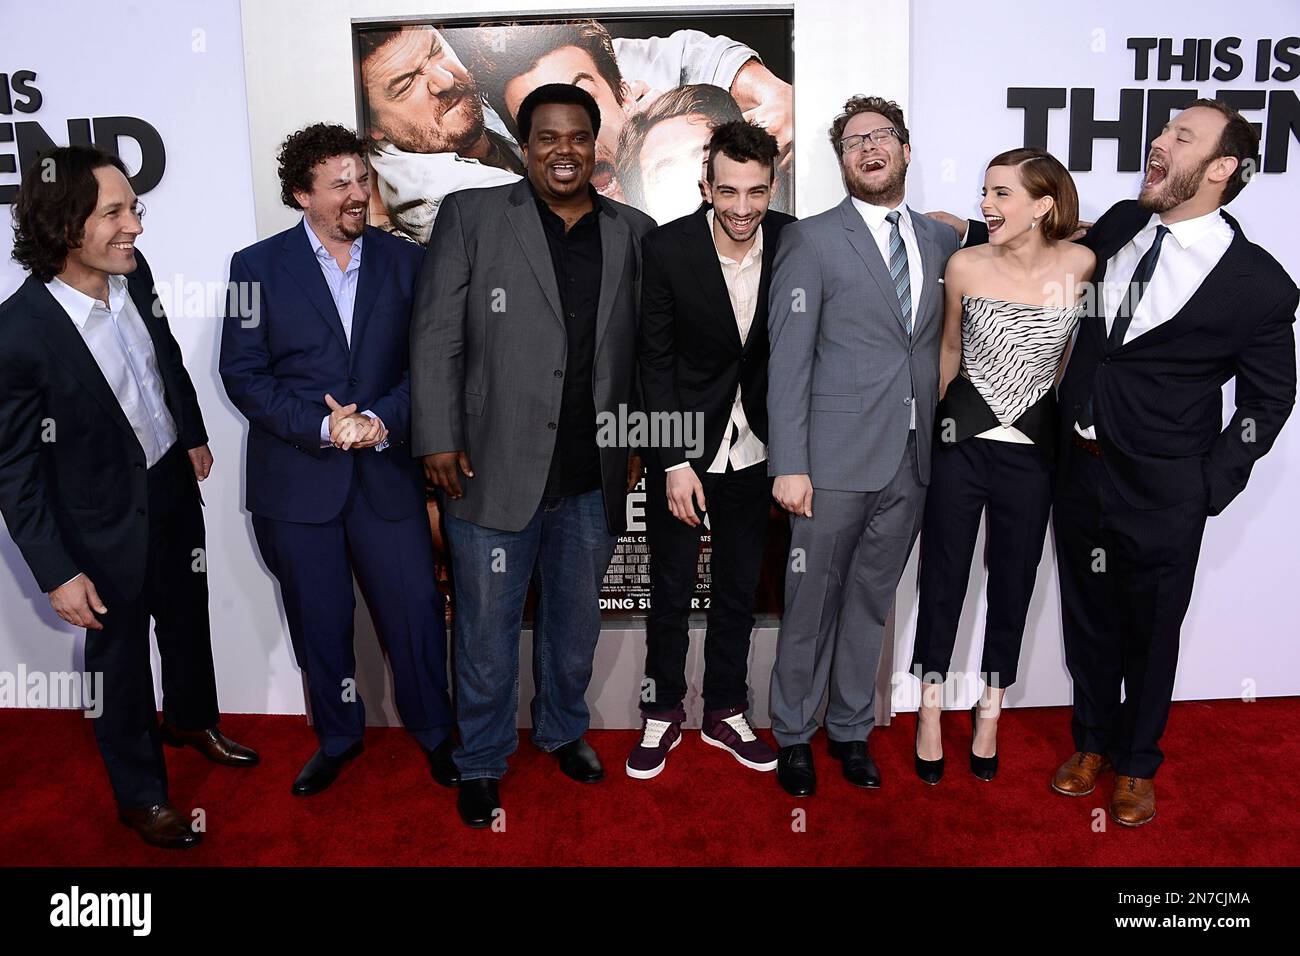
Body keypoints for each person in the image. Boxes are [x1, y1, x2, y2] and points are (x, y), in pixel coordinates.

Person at [952, 100, 1297, 825]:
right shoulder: (1119, 226)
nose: (1159, 141)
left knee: (1151, 631)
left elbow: (1269, 397)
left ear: (1221, 168)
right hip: (1077, 469)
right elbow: (1035, 246)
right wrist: (945, 231)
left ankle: (1138, 763)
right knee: (1089, 622)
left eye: (1181, 137)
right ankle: (1091, 743)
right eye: (1164, 129)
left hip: (1165, 488)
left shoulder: (1258, 283)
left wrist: (1211, 481)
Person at [411, 84, 655, 827]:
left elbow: (644, 351)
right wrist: (437, 438)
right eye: (547, 137)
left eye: (578, 137)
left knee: (574, 623)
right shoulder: (473, 216)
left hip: (593, 471)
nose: (563, 151)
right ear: (524, 147)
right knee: (484, 630)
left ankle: (562, 730)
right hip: (489, 464)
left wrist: (638, 440)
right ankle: (482, 759)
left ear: (595, 146)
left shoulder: (634, 231)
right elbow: (435, 334)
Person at [0, 146, 258, 849]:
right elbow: (14, 469)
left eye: (133, 209)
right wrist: (55, 571)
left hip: (169, 479)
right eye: (114, 212)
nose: (135, 228)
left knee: (185, 616)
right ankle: (142, 796)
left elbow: (162, 353)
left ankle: (191, 718)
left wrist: (191, 430)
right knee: (117, 664)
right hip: (98, 521)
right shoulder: (17, 334)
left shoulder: (132, 274)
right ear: (63, 225)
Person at [219, 124, 457, 798]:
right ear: (302, 194)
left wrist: (379, 420)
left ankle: (437, 735)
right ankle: (338, 737)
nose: (358, 193)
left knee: (414, 615)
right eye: (339, 183)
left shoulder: (408, 262)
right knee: (318, 623)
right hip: (296, 486)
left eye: (361, 177)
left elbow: (430, 367)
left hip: (385, 476)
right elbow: (242, 374)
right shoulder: (253, 268)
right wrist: (324, 426)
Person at [766, 96, 962, 796]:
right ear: (843, 160)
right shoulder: (811, 240)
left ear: (905, 150)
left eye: (881, 137)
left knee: (871, 604)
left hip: (912, 462)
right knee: (810, 601)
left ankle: (849, 728)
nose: (868, 148)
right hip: (829, 464)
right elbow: (786, 362)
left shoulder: (942, 243)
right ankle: (792, 731)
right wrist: (789, 464)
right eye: (853, 142)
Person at [911, 148, 1093, 785]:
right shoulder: (964, 264)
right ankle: (930, 707)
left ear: (1043, 204)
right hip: (962, 441)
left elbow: (1070, 360)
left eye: (1001, 195)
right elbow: (948, 354)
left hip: (1033, 456)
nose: (986, 206)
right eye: (983, 193)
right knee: (943, 577)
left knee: (1013, 582)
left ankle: (991, 708)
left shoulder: (1082, 265)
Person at [629, 120, 795, 779]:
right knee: (668, 590)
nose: (743, 208)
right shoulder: (667, 249)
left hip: (758, 449)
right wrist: (671, 462)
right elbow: (653, 362)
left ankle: (726, 709)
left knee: (737, 588)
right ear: (706, 184)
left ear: (772, 186)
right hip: (684, 450)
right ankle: (662, 710)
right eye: (728, 191)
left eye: (757, 192)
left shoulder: (791, 240)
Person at [358, 25, 524, 243]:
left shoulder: (432, 121)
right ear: (373, 127)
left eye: (436, 51)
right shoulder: (449, 198)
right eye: (407, 83)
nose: (446, 80)